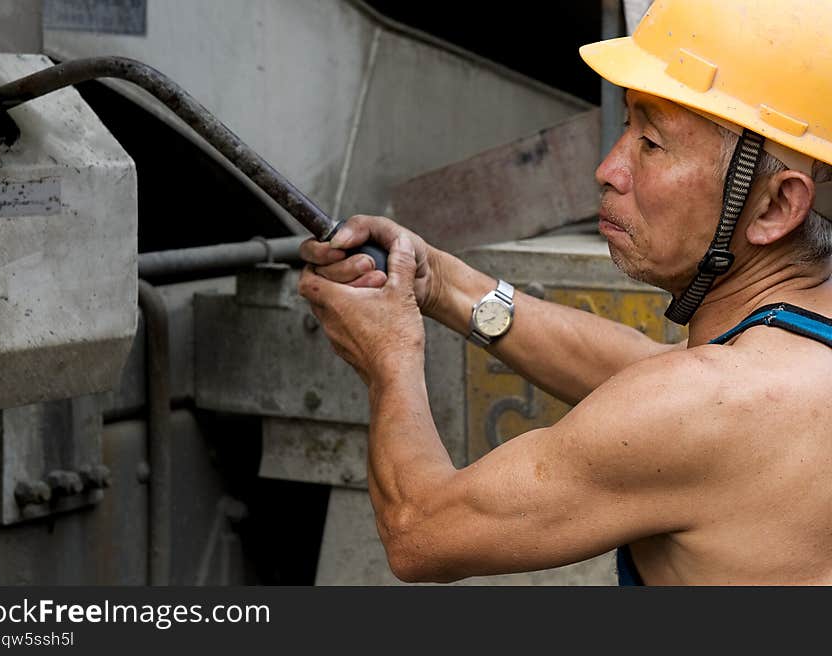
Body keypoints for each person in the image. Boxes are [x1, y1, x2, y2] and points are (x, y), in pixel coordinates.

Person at [298, 0, 832, 585]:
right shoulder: (783, 362)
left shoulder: (702, 407)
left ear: (778, 204)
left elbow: (420, 531)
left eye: (651, 144)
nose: (609, 169)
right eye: (627, 125)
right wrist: (442, 282)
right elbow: (647, 367)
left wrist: (389, 356)